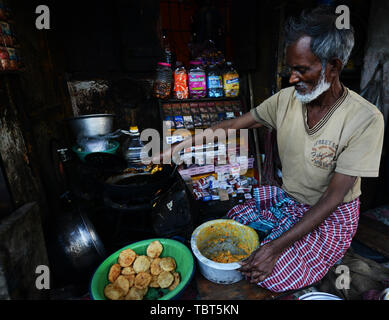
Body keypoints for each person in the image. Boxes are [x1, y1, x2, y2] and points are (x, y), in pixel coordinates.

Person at [156, 6, 385, 292]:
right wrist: (180, 146)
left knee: (267, 273)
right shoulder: (286, 99)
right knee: (232, 227)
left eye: (302, 70)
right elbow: (234, 124)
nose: (291, 78)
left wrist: (275, 247)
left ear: (334, 67)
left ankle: (326, 261)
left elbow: (333, 198)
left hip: (330, 215)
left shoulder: (365, 119)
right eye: (291, 69)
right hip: (289, 201)